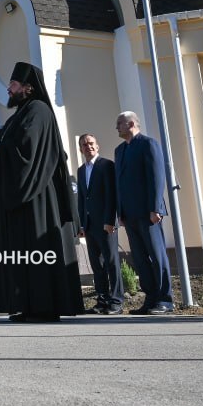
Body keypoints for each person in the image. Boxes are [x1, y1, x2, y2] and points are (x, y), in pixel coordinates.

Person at [0, 62, 84, 322]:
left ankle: (44, 308)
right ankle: (28, 307)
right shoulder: (20, 114)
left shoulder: (38, 110)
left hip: (38, 196)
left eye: (13, 85)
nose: (9, 89)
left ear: (28, 87)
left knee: (38, 251)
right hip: (23, 198)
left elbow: (27, 148)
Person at [114, 111, 173, 315]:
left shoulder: (148, 144)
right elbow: (119, 183)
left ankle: (165, 300)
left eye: (119, 123)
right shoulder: (120, 150)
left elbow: (156, 177)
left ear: (131, 124)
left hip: (148, 212)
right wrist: (120, 211)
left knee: (157, 256)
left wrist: (155, 208)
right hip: (129, 214)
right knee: (140, 258)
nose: (116, 127)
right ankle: (151, 299)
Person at [75, 134, 123, 315]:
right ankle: (102, 300)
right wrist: (81, 224)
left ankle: (116, 301)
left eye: (91, 143)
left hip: (106, 223)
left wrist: (110, 220)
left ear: (97, 146)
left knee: (111, 262)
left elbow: (112, 194)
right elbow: (81, 199)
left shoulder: (106, 165)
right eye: (84, 145)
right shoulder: (81, 170)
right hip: (89, 225)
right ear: (80, 149)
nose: (88, 147)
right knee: (97, 265)